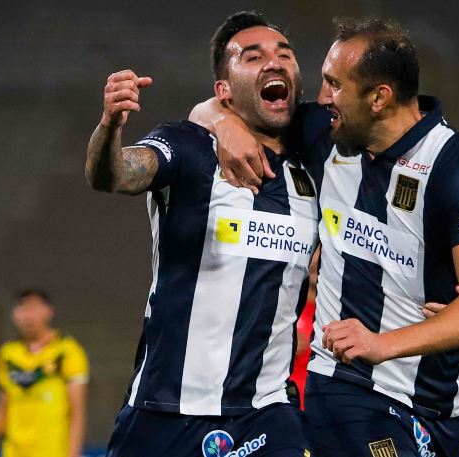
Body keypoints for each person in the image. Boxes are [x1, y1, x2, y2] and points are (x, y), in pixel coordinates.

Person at [191, 17, 459, 457]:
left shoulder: (454, 166)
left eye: (335, 85)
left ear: (379, 98)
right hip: (348, 385)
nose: (323, 98)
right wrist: (223, 124)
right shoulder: (326, 133)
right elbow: (216, 106)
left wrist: (385, 343)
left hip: (442, 406)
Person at [84, 11, 318, 457]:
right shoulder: (188, 145)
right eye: (253, 56)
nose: (273, 62)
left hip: (265, 412)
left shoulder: (316, 166)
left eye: (284, 54)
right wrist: (110, 125)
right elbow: (113, 174)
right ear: (223, 91)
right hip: (164, 411)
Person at [0, 289, 88, 457]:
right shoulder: (8, 354)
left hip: (53, 452)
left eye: (33, 308)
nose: (28, 316)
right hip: (14, 452)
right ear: (14, 315)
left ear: (48, 311)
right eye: (22, 308)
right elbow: (3, 407)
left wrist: (73, 453)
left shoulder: (67, 351)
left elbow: (77, 412)